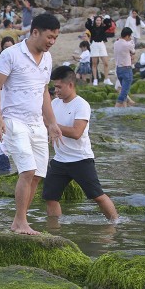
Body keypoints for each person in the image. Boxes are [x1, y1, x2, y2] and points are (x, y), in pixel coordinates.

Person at [0, 13, 62, 235]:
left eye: (55, 38)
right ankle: (21, 222)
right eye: (49, 37)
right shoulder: (10, 54)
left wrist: (52, 123)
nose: (52, 42)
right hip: (13, 120)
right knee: (28, 170)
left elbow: (44, 91)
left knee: (38, 174)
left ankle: (19, 221)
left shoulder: (48, 59)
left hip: (37, 123)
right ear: (35, 32)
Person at [43, 66, 119, 221]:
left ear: (70, 85)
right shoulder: (54, 103)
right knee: (50, 198)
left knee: (97, 196)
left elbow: (77, 133)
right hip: (59, 160)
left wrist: (53, 126)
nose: (56, 91)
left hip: (81, 159)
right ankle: (55, 229)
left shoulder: (81, 105)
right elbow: (45, 123)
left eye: (59, 87)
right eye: (54, 87)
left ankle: (116, 223)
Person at [85, 15, 111, 86]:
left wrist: (105, 18)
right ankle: (95, 79)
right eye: (97, 20)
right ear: (95, 21)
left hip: (101, 44)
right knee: (94, 64)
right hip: (94, 45)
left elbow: (109, 24)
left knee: (106, 63)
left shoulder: (103, 27)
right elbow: (87, 25)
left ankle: (106, 79)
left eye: (100, 20)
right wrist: (90, 19)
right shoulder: (91, 27)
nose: (98, 22)